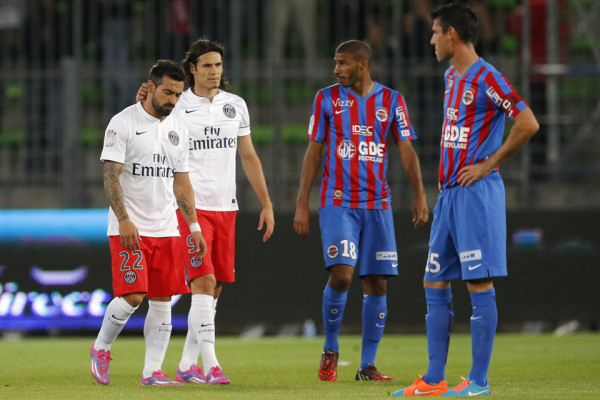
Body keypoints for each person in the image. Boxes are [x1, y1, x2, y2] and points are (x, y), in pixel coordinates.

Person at [393, 3, 539, 397]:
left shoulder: (488, 77)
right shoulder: (451, 77)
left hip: (476, 193)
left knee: (477, 281)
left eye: (436, 32)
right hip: (449, 195)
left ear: (452, 35)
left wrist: (488, 163)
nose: (432, 39)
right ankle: (435, 378)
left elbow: (527, 122)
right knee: (433, 280)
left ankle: (478, 383)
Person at [136, 38, 274, 385]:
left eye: (219, 65)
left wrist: (267, 203)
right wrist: (143, 103)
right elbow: (146, 131)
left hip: (225, 206)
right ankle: (212, 366)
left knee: (214, 289)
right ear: (192, 70)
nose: (215, 72)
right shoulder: (179, 106)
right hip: (189, 209)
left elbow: (248, 156)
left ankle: (186, 364)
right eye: (208, 66)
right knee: (204, 281)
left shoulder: (235, 106)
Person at [294, 39, 429, 382]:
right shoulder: (326, 99)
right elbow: (314, 152)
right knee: (341, 273)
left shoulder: (392, 101)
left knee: (377, 282)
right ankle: (330, 346)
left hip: (377, 204)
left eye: (342, 63)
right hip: (338, 201)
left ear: (362, 65)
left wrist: (419, 193)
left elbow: (406, 150)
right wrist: (301, 204)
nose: (335, 69)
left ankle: (367, 365)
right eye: (335, 62)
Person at [90, 59, 207, 386]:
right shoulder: (122, 123)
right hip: (130, 228)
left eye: (178, 94)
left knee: (162, 299)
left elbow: (181, 182)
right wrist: (124, 219)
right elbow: (110, 176)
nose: (172, 99)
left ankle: (152, 372)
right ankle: (101, 347)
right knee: (133, 295)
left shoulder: (177, 129)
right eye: (167, 92)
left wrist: (193, 226)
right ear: (150, 87)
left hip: (167, 228)